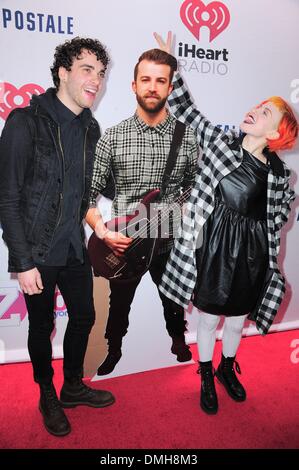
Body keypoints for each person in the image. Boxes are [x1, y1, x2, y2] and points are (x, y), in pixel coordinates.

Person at [155, 32, 298, 414]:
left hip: (250, 255)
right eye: (257, 105)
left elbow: (281, 214)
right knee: (207, 318)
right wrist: (172, 66)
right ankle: (204, 373)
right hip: (212, 246)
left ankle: (225, 368)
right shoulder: (221, 140)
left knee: (236, 321)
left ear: (274, 134)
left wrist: (264, 238)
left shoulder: (280, 176)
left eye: (265, 112)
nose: (255, 110)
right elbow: (187, 112)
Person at [0, 37, 115, 437]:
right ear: (63, 73)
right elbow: (8, 196)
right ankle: (46, 392)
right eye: (87, 70)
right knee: (40, 327)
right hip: (39, 250)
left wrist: (98, 223)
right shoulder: (24, 122)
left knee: (83, 316)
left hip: (73, 247)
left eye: (101, 74)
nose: (96, 81)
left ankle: (71, 386)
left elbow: (83, 193)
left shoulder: (91, 128)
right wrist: (22, 260)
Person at [86, 48, 199, 376]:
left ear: (169, 88)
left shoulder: (187, 137)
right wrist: (104, 232)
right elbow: (87, 197)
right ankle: (114, 349)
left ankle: (178, 340)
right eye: (145, 79)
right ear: (134, 85)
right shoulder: (113, 136)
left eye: (160, 81)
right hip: (122, 243)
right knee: (118, 305)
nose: (152, 87)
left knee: (173, 301)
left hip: (168, 241)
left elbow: (195, 185)